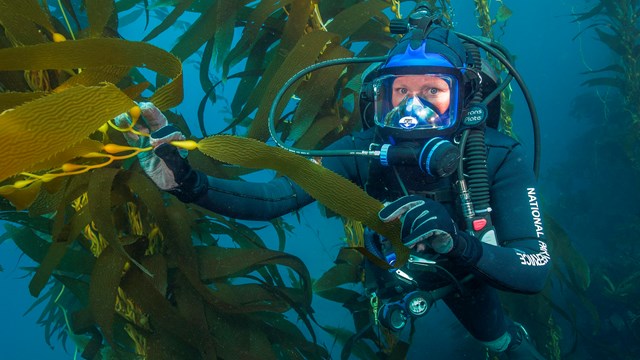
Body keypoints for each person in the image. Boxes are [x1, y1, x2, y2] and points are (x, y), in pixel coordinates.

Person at [115, 6, 550, 359]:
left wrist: (460, 243)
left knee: (501, 342)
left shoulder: (496, 155)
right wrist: (189, 183)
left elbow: (534, 268)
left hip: (465, 271)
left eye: (433, 91)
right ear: (380, 97)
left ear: (463, 98)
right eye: (401, 93)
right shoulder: (360, 150)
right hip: (389, 270)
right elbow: (275, 198)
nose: (414, 108)